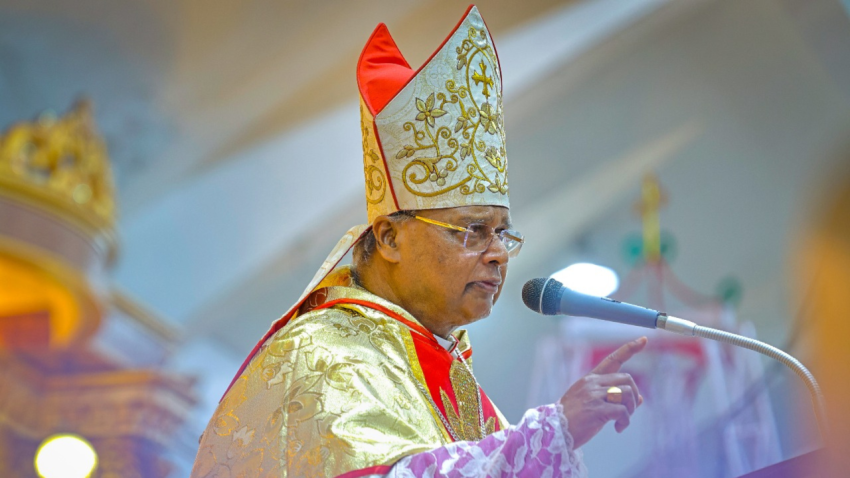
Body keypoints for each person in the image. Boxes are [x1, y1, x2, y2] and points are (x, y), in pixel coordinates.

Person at [191, 5, 646, 477]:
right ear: (389, 237)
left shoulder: (451, 374)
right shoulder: (323, 353)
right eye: (473, 231)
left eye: (502, 233)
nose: (497, 253)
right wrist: (550, 435)